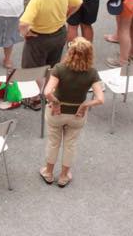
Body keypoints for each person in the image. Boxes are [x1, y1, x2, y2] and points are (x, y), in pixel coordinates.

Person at [40, 38, 104, 188]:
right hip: (77, 115)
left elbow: (47, 92)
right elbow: (100, 99)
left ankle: (48, 172)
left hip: (57, 113)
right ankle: (63, 176)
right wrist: (85, 105)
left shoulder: (59, 68)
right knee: (70, 145)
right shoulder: (92, 73)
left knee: (53, 142)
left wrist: (55, 102)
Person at [19, 0, 81, 90]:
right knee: (51, 65)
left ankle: (36, 97)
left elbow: (24, 23)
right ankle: (48, 91)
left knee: (33, 69)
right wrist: (67, 15)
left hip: (38, 38)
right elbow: (78, 2)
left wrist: (24, 33)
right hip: (59, 34)